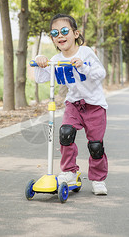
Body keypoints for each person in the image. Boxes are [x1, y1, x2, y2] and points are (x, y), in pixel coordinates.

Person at [34, 13, 108, 195]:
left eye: (65, 31)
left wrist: (83, 66)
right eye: (55, 32)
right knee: (66, 134)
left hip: (95, 105)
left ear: (76, 33)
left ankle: (98, 180)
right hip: (74, 104)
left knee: (95, 145)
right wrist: (40, 61)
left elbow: (101, 74)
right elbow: (40, 77)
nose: (60, 35)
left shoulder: (86, 52)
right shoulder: (57, 59)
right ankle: (69, 171)